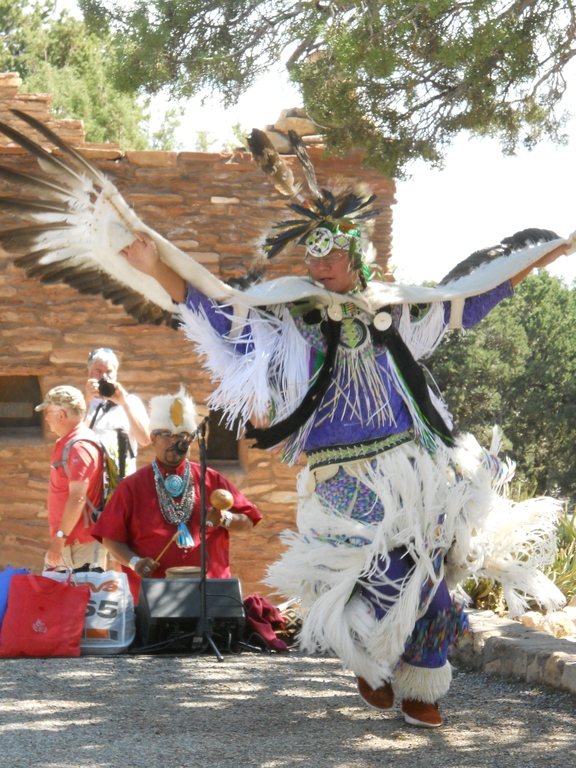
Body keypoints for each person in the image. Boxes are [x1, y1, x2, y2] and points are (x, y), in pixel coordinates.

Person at [118, 133, 571, 728]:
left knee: (432, 576)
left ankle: (424, 683)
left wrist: (549, 255)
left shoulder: (396, 314)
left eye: (331, 255)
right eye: (312, 257)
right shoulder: (293, 329)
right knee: (377, 572)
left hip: (416, 467)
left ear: (355, 254)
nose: (319, 265)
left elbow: (470, 299)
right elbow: (220, 318)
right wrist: (156, 270)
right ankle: (367, 656)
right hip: (341, 473)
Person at [92, 386, 262, 602]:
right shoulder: (132, 486)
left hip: (209, 593)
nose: (175, 442)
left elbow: (247, 522)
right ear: (152, 439)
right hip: (155, 597)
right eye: (166, 435)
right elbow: (110, 538)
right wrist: (135, 562)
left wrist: (225, 519)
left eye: (182, 435)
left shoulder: (210, 479)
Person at [36, 385, 107, 571]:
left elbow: (78, 498)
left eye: (48, 412)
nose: (46, 418)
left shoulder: (79, 447)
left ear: (61, 415)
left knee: (79, 599)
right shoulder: (72, 442)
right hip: (72, 544)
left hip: (78, 545)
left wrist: (59, 540)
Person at [85, 347, 150, 478]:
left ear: (116, 374)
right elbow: (72, 436)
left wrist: (124, 403)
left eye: (109, 372)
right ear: (90, 374)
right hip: (90, 480)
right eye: (98, 371)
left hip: (122, 479)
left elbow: (145, 440)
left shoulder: (131, 402)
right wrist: (86, 400)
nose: (104, 377)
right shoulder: (83, 402)